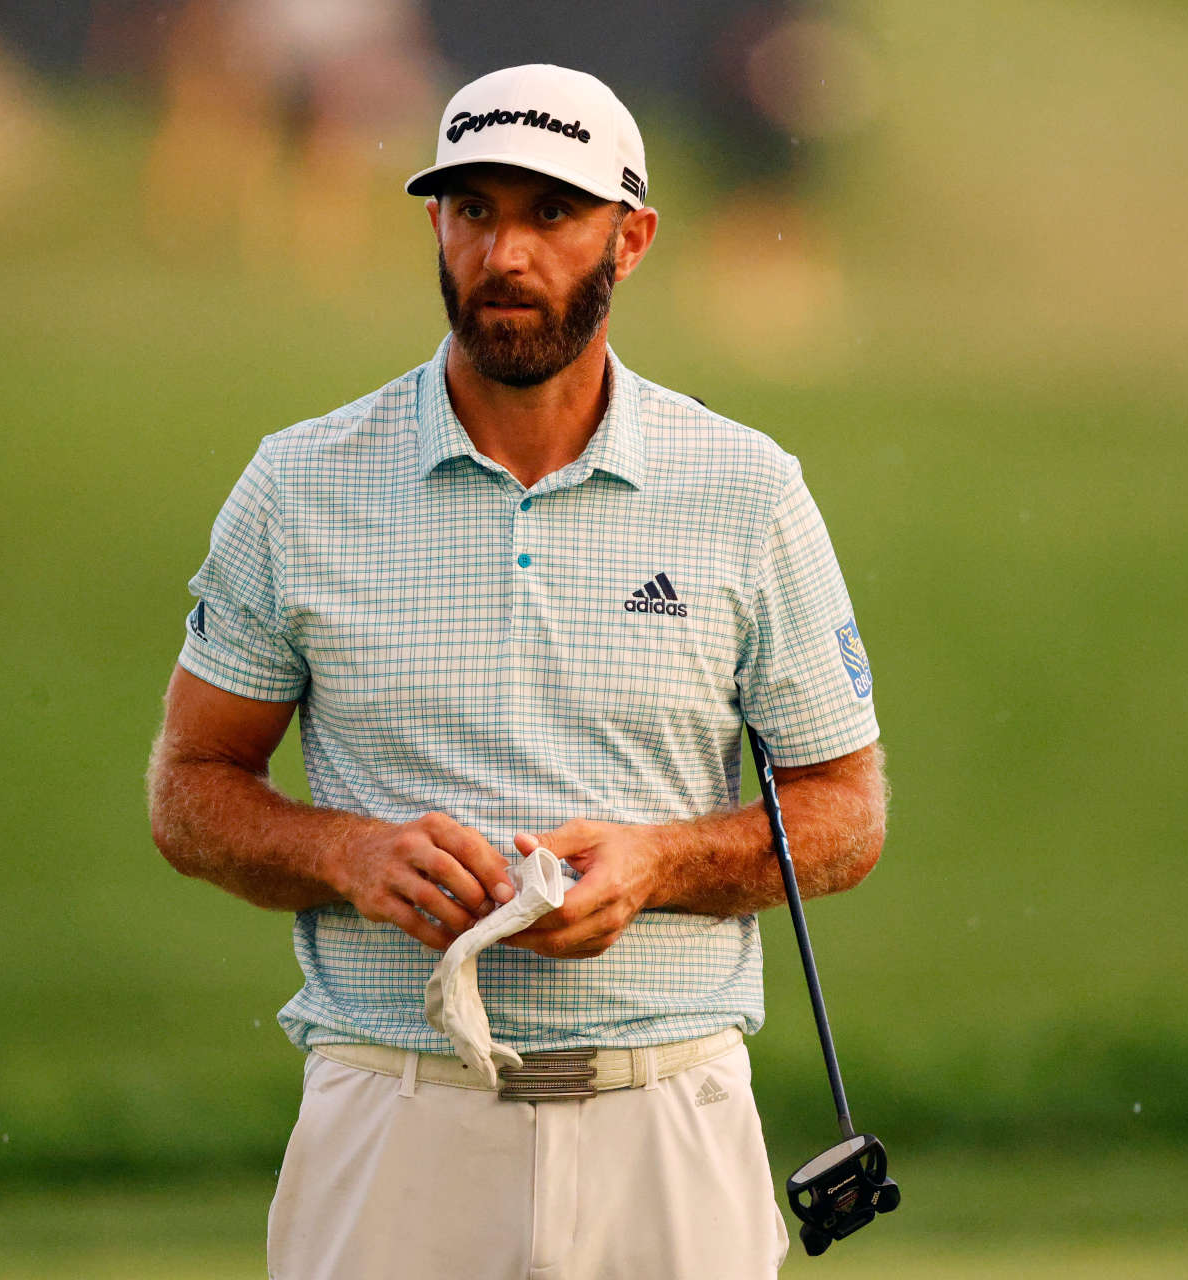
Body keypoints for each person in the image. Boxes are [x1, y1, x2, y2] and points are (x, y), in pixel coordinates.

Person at [146, 62, 886, 1279]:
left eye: (552, 213)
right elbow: (192, 787)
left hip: (668, 1116)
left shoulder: (748, 489)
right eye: (474, 208)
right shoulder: (301, 483)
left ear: (630, 239)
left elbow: (845, 812)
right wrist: (348, 852)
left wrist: (657, 865)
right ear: (432, 220)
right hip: (394, 1112)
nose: (506, 253)